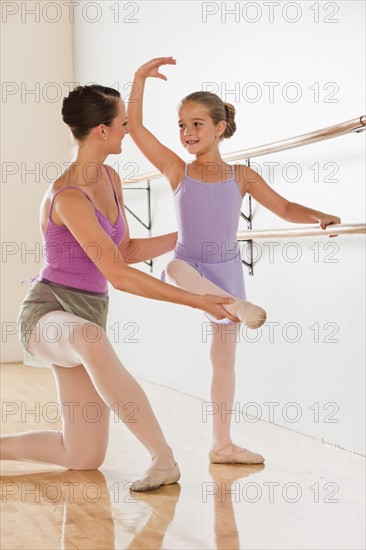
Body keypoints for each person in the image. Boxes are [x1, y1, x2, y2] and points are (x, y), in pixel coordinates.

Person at [0, 84, 240, 492]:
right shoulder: (68, 196)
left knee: (83, 456)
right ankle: (163, 458)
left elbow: (125, 250)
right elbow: (118, 274)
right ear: (102, 131)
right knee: (90, 338)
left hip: (86, 316)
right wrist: (195, 300)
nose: (128, 131)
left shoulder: (110, 178)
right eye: (123, 124)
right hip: (47, 313)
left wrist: (189, 234)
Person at [127, 56, 341, 465]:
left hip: (226, 274)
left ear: (219, 128)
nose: (187, 133)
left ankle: (222, 444)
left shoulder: (241, 176)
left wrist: (318, 215)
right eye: (182, 125)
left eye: (197, 124)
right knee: (172, 267)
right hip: (190, 269)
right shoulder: (177, 171)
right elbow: (135, 129)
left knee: (222, 363)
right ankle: (235, 308)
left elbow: (284, 207)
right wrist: (139, 80)